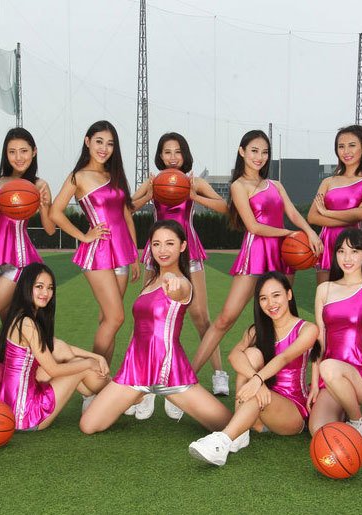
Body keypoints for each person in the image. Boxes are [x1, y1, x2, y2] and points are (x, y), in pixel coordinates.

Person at [80, 220, 232, 433]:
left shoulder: (182, 283)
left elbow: (178, 290)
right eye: (156, 244)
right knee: (88, 425)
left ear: (182, 246)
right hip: (135, 370)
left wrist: (171, 278)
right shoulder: (150, 282)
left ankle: (172, 396)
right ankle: (138, 396)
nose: (162, 250)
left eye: (170, 243)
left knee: (229, 426)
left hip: (169, 372)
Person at [190, 130, 321, 376]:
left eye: (264, 152)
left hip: (283, 254)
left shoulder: (276, 185)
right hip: (256, 253)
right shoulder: (238, 186)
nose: (259, 157)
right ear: (242, 151)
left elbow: (293, 214)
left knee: (282, 320)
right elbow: (253, 226)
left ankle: (286, 381)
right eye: (254, 151)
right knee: (225, 319)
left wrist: (310, 232)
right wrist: (289, 233)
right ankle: (188, 377)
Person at [131, 133, 230, 416]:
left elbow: (225, 207)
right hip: (158, 252)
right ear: (160, 156)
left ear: (184, 155)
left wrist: (194, 195)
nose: (172, 157)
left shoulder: (194, 181)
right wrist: (148, 194)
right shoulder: (153, 181)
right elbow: (128, 207)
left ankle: (218, 373)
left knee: (200, 316)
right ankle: (144, 382)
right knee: (147, 317)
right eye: (167, 152)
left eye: (177, 151)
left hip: (189, 250)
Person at [50, 120, 139, 410]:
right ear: (87, 141)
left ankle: (99, 389)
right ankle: (91, 385)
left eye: (110, 144)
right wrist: (83, 236)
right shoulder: (78, 176)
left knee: (107, 322)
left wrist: (135, 254)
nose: (104, 148)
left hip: (122, 252)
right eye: (99, 141)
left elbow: (126, 215)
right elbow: (55, 212)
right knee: (116, 318)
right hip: (98, 252)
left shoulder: (115, 175)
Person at [188, 272, 319, 466]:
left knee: (255, 388)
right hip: (259, 407)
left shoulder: (307, 329)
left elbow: (284, 358)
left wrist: (257, 381)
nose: (270, 303)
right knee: (250, 354)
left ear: (289, 294)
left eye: (276, 295)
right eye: (263, 298)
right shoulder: (257, 330)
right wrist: (259, 383)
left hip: (292, 411)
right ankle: (240, 434)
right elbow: (234, 356)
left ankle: (222, 441)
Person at [0, 263, 110, 431]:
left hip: (12, 406)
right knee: (78, 366)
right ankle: (121, 395)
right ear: (26, 287)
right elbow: (54, 370)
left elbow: (54, 344)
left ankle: (95, 397)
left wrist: (97, 357)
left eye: (49, 288)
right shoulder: (26, 323)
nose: (45, 293)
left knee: (62, 350)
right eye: (39, 287)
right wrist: (88, 363)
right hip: (25, 415)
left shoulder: (22, 317)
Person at [308, 229, 362, 437]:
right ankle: (343, 408)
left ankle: (357, 421)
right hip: (330, 377)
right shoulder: (324, 289)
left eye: (354, 251)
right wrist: (315, 384)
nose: (347, 258)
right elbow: (320, 339)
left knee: (329, 367)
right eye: (341, 251)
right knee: (318, 430)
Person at [0, 127, 56, 319]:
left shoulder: (40, 185)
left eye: (24, 151)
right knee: (9, 323)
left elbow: (50, 229)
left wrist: (43, 207)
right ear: (5, 154)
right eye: (12, 151)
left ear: (34, 151)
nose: (18, 157)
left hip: (19, 260)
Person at [306, 125, 362, 285]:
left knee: (356, 296)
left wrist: (327, 212)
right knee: (325, 296)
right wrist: (351, 215)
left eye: (352, 145)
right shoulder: (328, 181)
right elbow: (312, 217)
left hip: (354, 244)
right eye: (341, 146)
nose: (346, 151)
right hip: (327, 243)